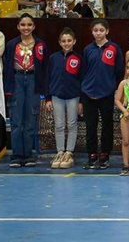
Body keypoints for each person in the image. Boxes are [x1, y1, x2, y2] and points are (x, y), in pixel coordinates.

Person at [3, 14, 47, 167]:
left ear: (34, 26)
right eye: (23, 25)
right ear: (18, 26)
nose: (26, 28)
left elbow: (45, 68)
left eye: (29, 25)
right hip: (17, 80)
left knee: (30, 120)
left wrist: (44, 89)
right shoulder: (12, 44)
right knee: (16, 120)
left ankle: (28, 155)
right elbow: (7, 67)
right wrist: (8, 87)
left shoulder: (40, 44)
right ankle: (16, 155)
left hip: (33, 81)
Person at [81, 19, 123, 170]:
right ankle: (92, 155)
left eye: (101, 30)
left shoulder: (114, 48)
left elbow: (119, 71)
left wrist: (114, 89)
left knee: (107, 125)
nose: (98, 33)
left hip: (107, 93)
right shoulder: (88, 49)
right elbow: (83, 71)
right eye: (95, 30)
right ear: (91, 32)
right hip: (88, 93)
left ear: (107, 31)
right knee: (90, 126)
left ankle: (105, 154)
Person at [46, 27, 82, 169]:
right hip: (57, 96)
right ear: (60, 42)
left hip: (73, 96)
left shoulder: (79, 58)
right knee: (59, 125)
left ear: (74, 41)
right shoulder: (53, 58)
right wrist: (48, 98)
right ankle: (60, 152)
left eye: (69, 40)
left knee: (72, 124)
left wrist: (82, 101)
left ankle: (69, 152)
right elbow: (48, 78)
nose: (66, 43)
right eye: (64, 41)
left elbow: (82, 79)